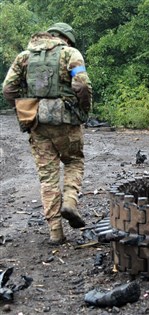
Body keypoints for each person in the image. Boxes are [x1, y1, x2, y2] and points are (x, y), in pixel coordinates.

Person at [2, 23, 92, 244]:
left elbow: (7, 89)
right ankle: (70, 202)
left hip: (37, 122)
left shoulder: (24, 57)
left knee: (47, 176)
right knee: (73, 161)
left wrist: (23, 106)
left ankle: (55, 232)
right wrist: (84, 109)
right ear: (66, 39)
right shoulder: (70, 53)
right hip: (67, 120)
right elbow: (82, 85)